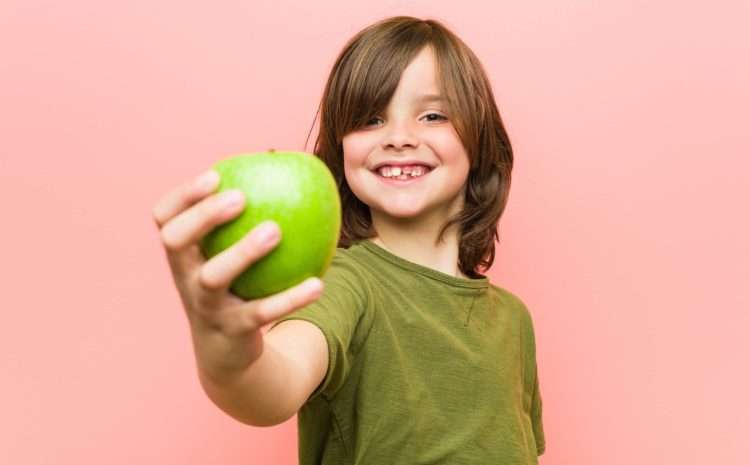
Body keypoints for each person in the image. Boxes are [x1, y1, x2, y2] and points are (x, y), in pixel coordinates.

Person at [152, 15, 545, 465]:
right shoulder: (344, 283)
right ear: (341, 148)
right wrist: (227, 351)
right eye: (370, 119)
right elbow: (271, 385)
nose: (399, 138)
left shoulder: (514, 320)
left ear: (480, 138)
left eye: (433, 115)